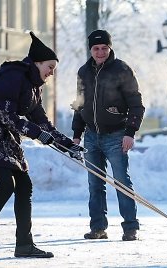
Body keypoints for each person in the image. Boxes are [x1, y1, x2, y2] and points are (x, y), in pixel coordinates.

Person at [0, 32, 83, 258]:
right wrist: (37, 134)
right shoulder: (13, 76)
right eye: (50, 67)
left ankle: (24, 245)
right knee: (5, 185)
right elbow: (6, 115)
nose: (52, 72)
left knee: (24, 185)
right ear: (37, 63)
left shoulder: (34, 86)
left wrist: (67, 145)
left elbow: (42, 123)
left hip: (7, 138)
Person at [70, 29, 145, 241]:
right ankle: (98, 228)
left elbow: (136, 104)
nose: (100, 52)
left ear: (110, 48)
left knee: (121, 181)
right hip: (91, 137)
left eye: (104, 48)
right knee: (95, 184)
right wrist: (77, 135)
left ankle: (130, 227)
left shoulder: (121, 70)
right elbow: (79, 104)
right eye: (96, 48)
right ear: (90, 49)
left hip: (116, 135)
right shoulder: (83, 72)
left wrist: (130, 132)